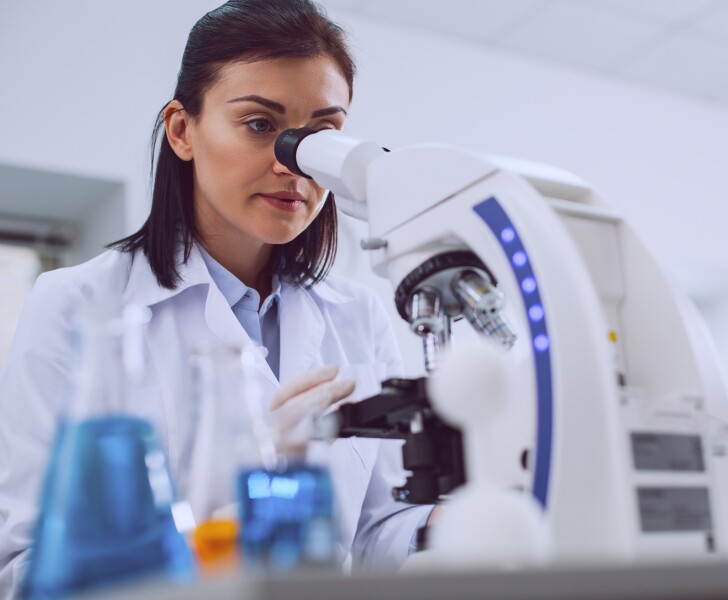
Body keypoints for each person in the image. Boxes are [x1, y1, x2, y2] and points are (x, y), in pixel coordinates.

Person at [0, 1, 433, 596]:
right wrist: (242, 479)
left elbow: (372, 533)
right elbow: (25, 568)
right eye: (260, 124)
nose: (295, 164)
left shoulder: (357, 315)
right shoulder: (78, 304)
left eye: (321, 136)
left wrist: (447, 526)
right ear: (182, 130)